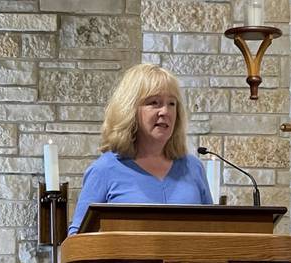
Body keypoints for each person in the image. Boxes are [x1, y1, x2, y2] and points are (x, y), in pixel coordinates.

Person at [68, 64, 213, 235]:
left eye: (171, 104)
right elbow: (77, 241)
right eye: (154, 103)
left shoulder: (193, 168)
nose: (165, 111)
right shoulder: (104, 170)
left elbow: (212, 232)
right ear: (130, 110)